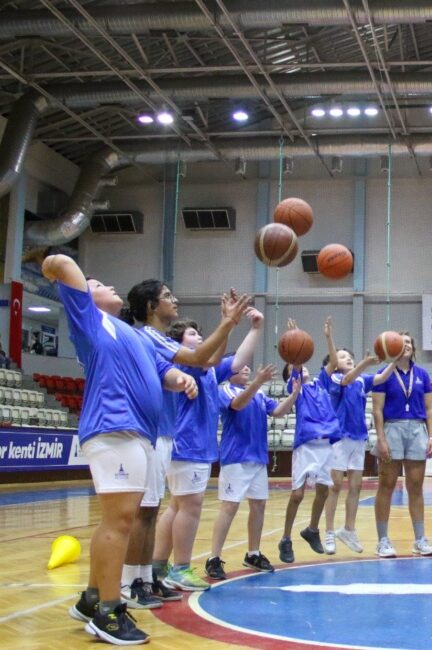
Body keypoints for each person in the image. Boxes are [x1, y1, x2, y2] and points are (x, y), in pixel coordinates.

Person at [46, 254, 197, 646]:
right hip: (114, 428)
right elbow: (62, 262)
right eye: (99, 285)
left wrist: (181, 380)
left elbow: (162, 373)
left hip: (137, 435)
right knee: (119, 523)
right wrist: (52, 266)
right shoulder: (89, 319)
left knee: (120, 520)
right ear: (86, 296)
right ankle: (109, 613)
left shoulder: (127, 332)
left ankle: (92, 599)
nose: (109, 288)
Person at [128, 279, 249, 604]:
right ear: (152, 306)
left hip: (168, 435)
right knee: (155, 510)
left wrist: (180, 379)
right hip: (165, 436)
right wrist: (228, 322)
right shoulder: (149, 338)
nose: (176, 299)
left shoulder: (159, 344)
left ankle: (150, 574)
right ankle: (142, 579)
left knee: (158, 510)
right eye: (168, 296)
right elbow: (200, 360)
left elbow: (206, 361)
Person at [163, 312, 262, 592]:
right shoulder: (189, 366)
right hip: (188, 444)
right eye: (193, 335)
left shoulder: (206, 370)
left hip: (195, 446)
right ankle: (179, 569)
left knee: (176, 507)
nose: (200, 338)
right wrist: (228, 323)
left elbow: (237, 360)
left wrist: (255, 328)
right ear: (181, 345)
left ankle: (158, 565)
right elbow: (214, 356)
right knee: (188, 508)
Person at [204, 363, 299, 580]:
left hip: (257, 457)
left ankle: (253, 553)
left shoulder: (258, 394)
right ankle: (214, 558)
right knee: (229, 506)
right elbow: (237, 405)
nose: (246, 369)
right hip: (236, 457)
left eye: (248, 366)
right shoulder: (225, 390)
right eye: (241, 367)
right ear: (230, 372)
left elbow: (277, 411)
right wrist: (258, 382)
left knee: (259, 505)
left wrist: (294, 394)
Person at [321, 318, 395, 554]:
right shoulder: (334, 379)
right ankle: (329, 532)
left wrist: (394, 359)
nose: (347, 358)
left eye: (349, 356)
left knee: (355, 486)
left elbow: (381, 378)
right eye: (342, 357)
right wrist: (362, 362)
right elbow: (346, 378)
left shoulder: (362, 381)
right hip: (339, 438)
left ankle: (349, 529)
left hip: (358, 437)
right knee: (334, 486)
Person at [279, 319, 340, 563]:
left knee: (324, 491)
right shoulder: (295, 387)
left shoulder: (319, 383)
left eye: (304, 367)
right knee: (297, 495)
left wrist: (327, 337)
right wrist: (293, 335)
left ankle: (312, 530)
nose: (303, 369)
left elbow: (334, 363)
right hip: (306, 444)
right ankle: (285, 538)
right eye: (298, 367)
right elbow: (295, 361)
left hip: (326, 443)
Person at [371, 332, 432, 557]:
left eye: (409, 342)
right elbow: (377, 410)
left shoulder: (423, 374)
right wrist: (381, 438)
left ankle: (420, 539)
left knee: (416, 487)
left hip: (418, 428)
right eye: (402, 342)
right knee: (386, 485)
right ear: (393, 346)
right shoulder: (383, 374)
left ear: (413, 348)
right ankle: (382, 540)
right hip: (392, 427)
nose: (405, 345)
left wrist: (431, 436)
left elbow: (429, 409)